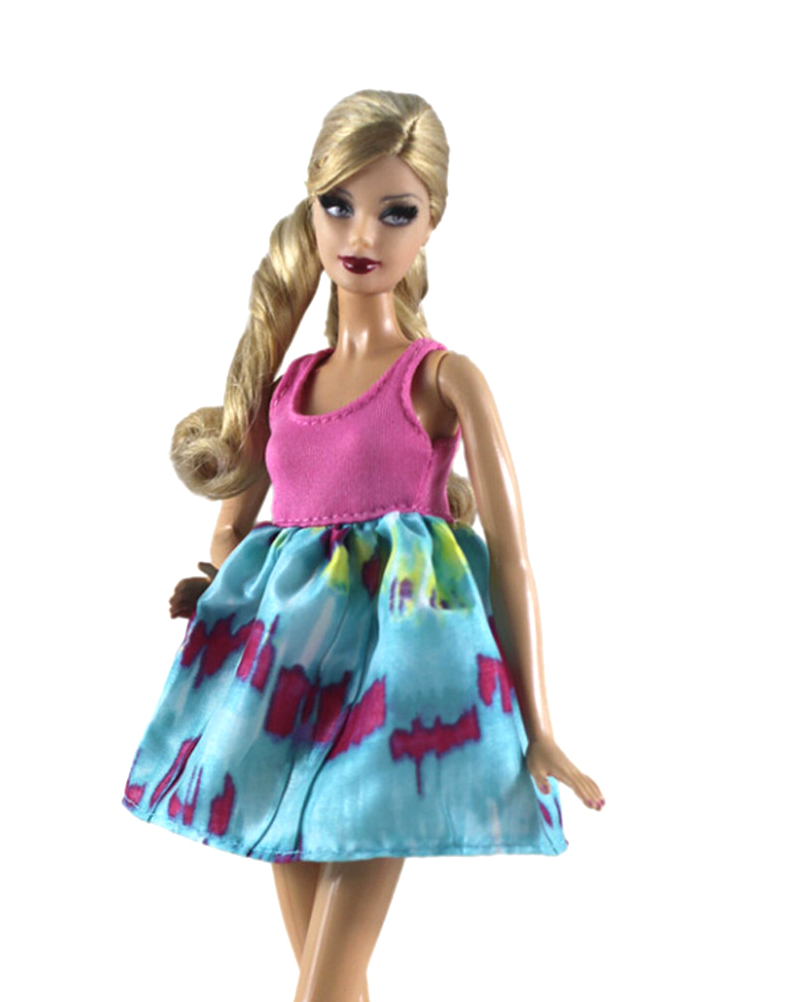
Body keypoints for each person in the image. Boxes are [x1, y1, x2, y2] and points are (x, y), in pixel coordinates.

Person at [123, 89, 604, 1002]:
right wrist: (214, 579)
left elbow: (512, 557)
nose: (362, 234)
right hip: (282, 684)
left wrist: (540, 726)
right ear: (310, 208)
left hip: (398, 686)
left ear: (431, 225)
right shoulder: (286, 385)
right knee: (324, 972)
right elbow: (238, 525)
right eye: (339, 205)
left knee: (324, 978)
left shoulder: (443, 378)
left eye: (396, 212)